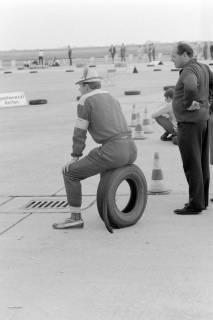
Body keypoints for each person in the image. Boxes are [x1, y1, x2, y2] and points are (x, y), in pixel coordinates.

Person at [52, 67, 137, 229]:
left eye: (80, 85)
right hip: (131, 148)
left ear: (87, 85)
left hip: (113, 151)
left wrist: (75, 156)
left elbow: (80, 132)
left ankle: (75, 218)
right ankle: (109, 209)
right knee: (99, 158)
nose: (79, 88)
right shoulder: (111, 97)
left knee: (70, 173)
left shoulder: (85, 100)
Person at [171, 41, 213, 215]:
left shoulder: (189, 70)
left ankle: (195, 204)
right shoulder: (203, 67)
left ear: (184, 55)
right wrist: (208, 102)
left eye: (174, 56)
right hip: (202, 121)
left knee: (192, 164)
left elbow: (189, 86)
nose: (172, 60)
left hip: (189, 124)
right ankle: (201, 200)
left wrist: (189, 103)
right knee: (202, 163)